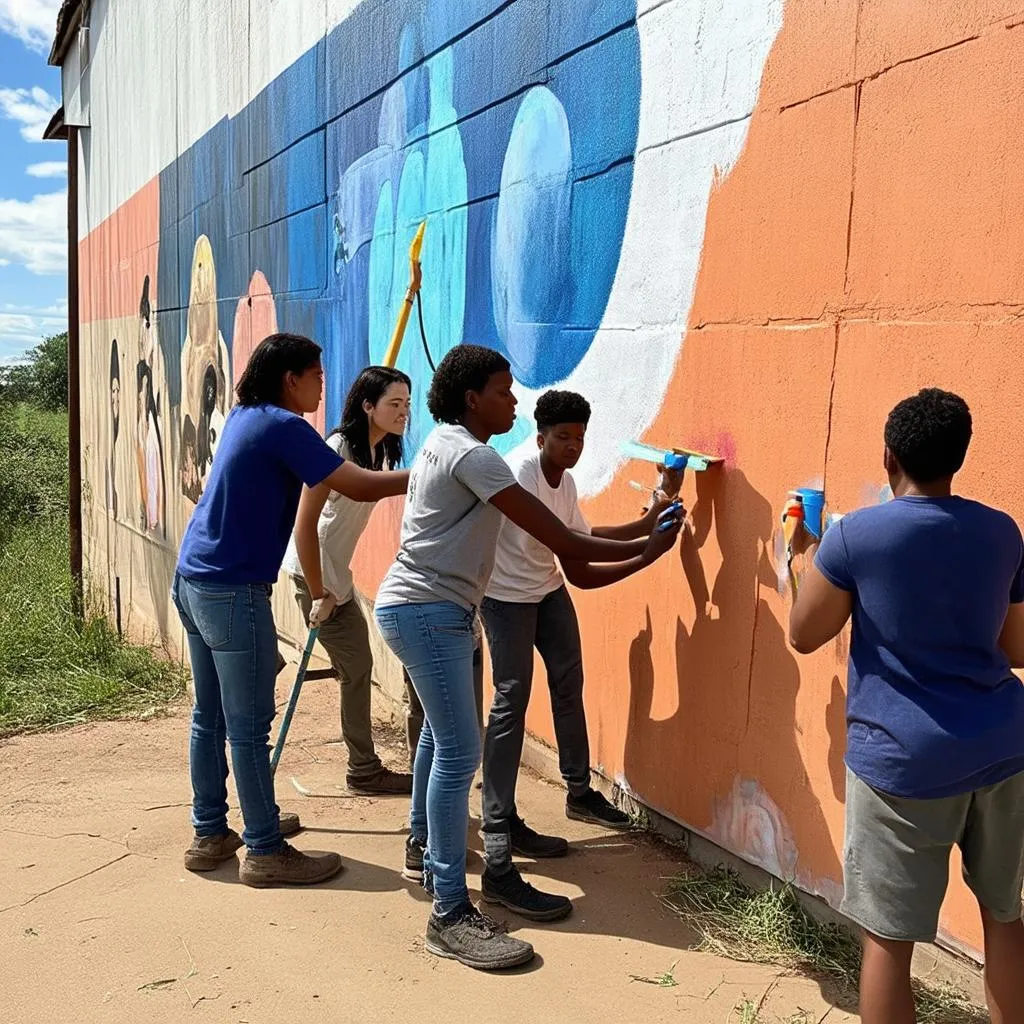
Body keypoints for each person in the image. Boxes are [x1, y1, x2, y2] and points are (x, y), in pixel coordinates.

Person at [373, 344, 683, 970]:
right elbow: (566, 543)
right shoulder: (480, 458)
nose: (514, 401)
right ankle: (450, 909)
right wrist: (651, 547)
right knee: (462, 748)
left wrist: (646, 525)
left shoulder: (446, 442)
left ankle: (426, 850)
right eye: (504, 391)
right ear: (472, 399)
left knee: (441, 738)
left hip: (432, 608)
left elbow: (575, 537)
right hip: (430, 611)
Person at [787, 388, 1024, 1024]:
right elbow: (1018, 645)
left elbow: (804, 634)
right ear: (959, 459)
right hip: (1003, 749)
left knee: (890, 944)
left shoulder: (855, 537)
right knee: (1007, 919)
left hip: (902, 762)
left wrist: (802, 557)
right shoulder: (1003, 532)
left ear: (889, 456)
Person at [172, 332, 409, 887]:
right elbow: (357, 484)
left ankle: (210, 833)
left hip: (194, 579)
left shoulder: (245, 416)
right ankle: (264, 847)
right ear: (290, 380)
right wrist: (434, 473)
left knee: (211, 716)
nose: (323, 384)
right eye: (317, 375)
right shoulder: (284, 426)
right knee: (249, 727)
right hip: (232, 591)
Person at [479, 389, 682, 914]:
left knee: (569, 684)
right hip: (506, 598)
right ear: (540, 435)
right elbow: (579, 557)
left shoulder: (563, 482)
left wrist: (651, 520)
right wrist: (648, 551)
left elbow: (579, 550)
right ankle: (498, 823)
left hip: (546, 591)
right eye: (562, 437)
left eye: (579, 438)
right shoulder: (519, 473)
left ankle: (578, 791)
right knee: (510, 702)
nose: (572, 447)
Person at [283, 366, 417, 795]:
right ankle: (363, 768)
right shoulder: (338, 447)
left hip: (337, 575)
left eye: (407, 405)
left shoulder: (381, 452)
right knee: (358, 667)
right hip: (315, 573)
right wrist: (319, 592)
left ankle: (363, 765)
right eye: (394, 404)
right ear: (367, 406)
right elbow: (305, 526)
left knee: (356, 668)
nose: (403, 413)